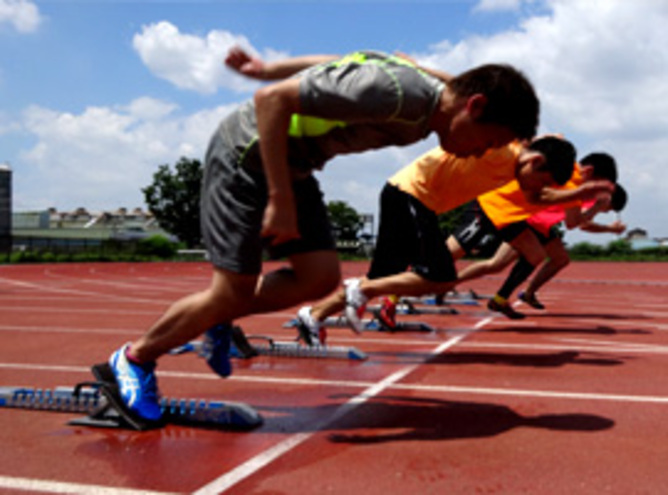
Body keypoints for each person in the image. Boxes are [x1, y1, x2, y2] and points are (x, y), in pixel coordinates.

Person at [97, 47, 541, 423]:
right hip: (249, 153)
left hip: (297, 166)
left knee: (319, 277)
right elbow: (272, 101)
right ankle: (133, 359)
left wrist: (271, 66)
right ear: (475, 106)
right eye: (488, 141)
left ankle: (212, 316)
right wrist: (279, 196)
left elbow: (358, 58)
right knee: (230, 291)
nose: (481, 153)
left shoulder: (437, 95)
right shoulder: (395, 94)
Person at [296, 136, 614, 342]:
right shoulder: (503, 147)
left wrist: (581, 194)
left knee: (389, 275)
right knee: (440, 275)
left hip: (414, 199)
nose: (539, 189)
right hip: (411, 192)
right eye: (540, 181)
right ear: (534, 161)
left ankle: (313, 315)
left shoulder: (525, 168)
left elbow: (541, 195)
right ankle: (361, 290)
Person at [449, 152, 618, 319]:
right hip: (496, 207)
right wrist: (599, 211)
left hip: (516, 217)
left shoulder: (571, 176)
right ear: (588, 172)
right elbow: (573, 223)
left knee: (535, 256)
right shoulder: (573, 183)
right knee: (455, 256)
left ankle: (499, 298)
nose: (595, 190)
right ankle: (438, 284)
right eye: (596, 185)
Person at [516, 183, 627, 309]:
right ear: (608, 199)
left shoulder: (590, 196)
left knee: (559, 258)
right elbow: (583, 225)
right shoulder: (593, 200)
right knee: (498, 263)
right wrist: (610, 228)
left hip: (537, 221)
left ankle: (525, 294)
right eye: (611, 208)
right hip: (533, 220)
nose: (607, 212)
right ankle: (507, 296)